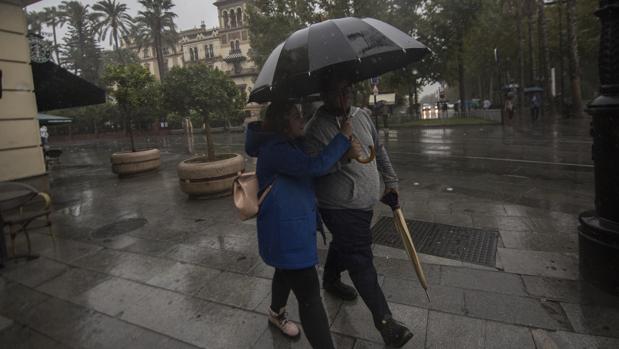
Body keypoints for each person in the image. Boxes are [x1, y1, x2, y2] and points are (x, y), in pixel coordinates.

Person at [304, 76, 414, 348]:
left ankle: (330, 279)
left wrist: (391, 181)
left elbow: (379, 149)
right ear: (325, 94)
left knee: (346, 245)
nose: (345, 96)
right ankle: (386, 324)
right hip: (339, 207)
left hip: (364, 206)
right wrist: (342, 155)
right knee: (360, 259)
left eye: (348, 90)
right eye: (338, 91)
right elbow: (313, 171)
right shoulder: (315, 129)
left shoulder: (362, 115)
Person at [245, 100, 361, 348]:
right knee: (310, 298)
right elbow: (313, 166)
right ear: (282, 123)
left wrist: (344, 157)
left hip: (289, 231)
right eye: (296, 116)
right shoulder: (276, 149)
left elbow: (308, 171)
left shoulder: (287, 144)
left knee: (284, 271)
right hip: (287, 234)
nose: (302, 120)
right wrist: (342, 138)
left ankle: (276, 314)